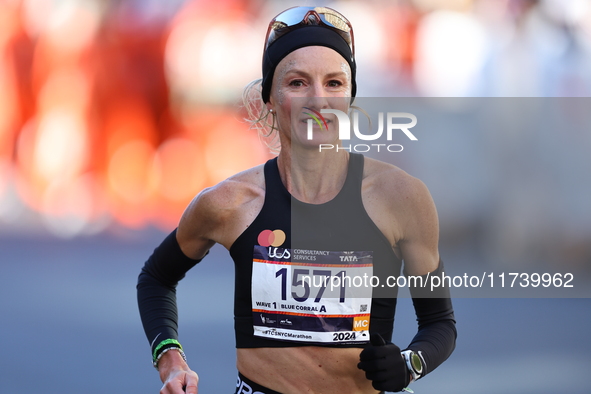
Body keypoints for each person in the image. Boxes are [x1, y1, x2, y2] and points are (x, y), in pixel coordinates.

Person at [137, 6, 456, 394]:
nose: (318, 101)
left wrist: (410, 364)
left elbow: (440, 324)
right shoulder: (230, 204)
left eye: (334, 83)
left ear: (350, 96)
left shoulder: (400, 198)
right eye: (298, 82)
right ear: (269, 96)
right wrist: (170, 360)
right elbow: (156, 278)